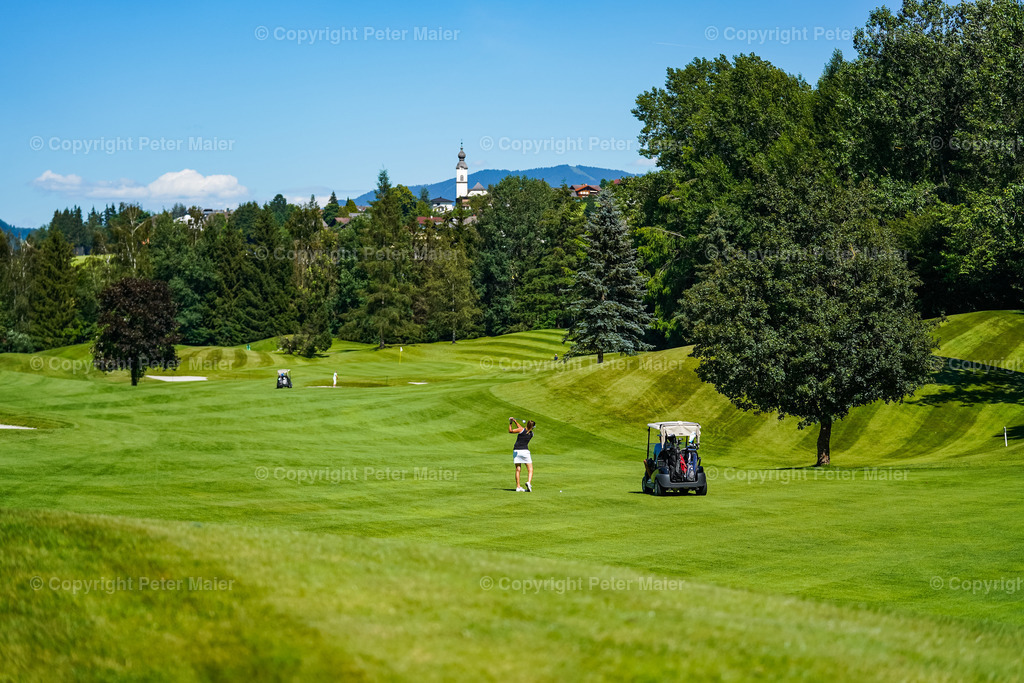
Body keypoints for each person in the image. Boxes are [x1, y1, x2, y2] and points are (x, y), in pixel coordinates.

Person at [508, 417, 535, 492]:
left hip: (517, 451)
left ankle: (518, 487)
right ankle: (529, 482)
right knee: (530, 469)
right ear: (532, 427)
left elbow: (511, 431)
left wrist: (510, 423)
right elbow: (521, 428)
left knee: (518, 469)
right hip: (525, 452)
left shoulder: (521, 430)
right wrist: (515, 421)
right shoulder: (531, 434)